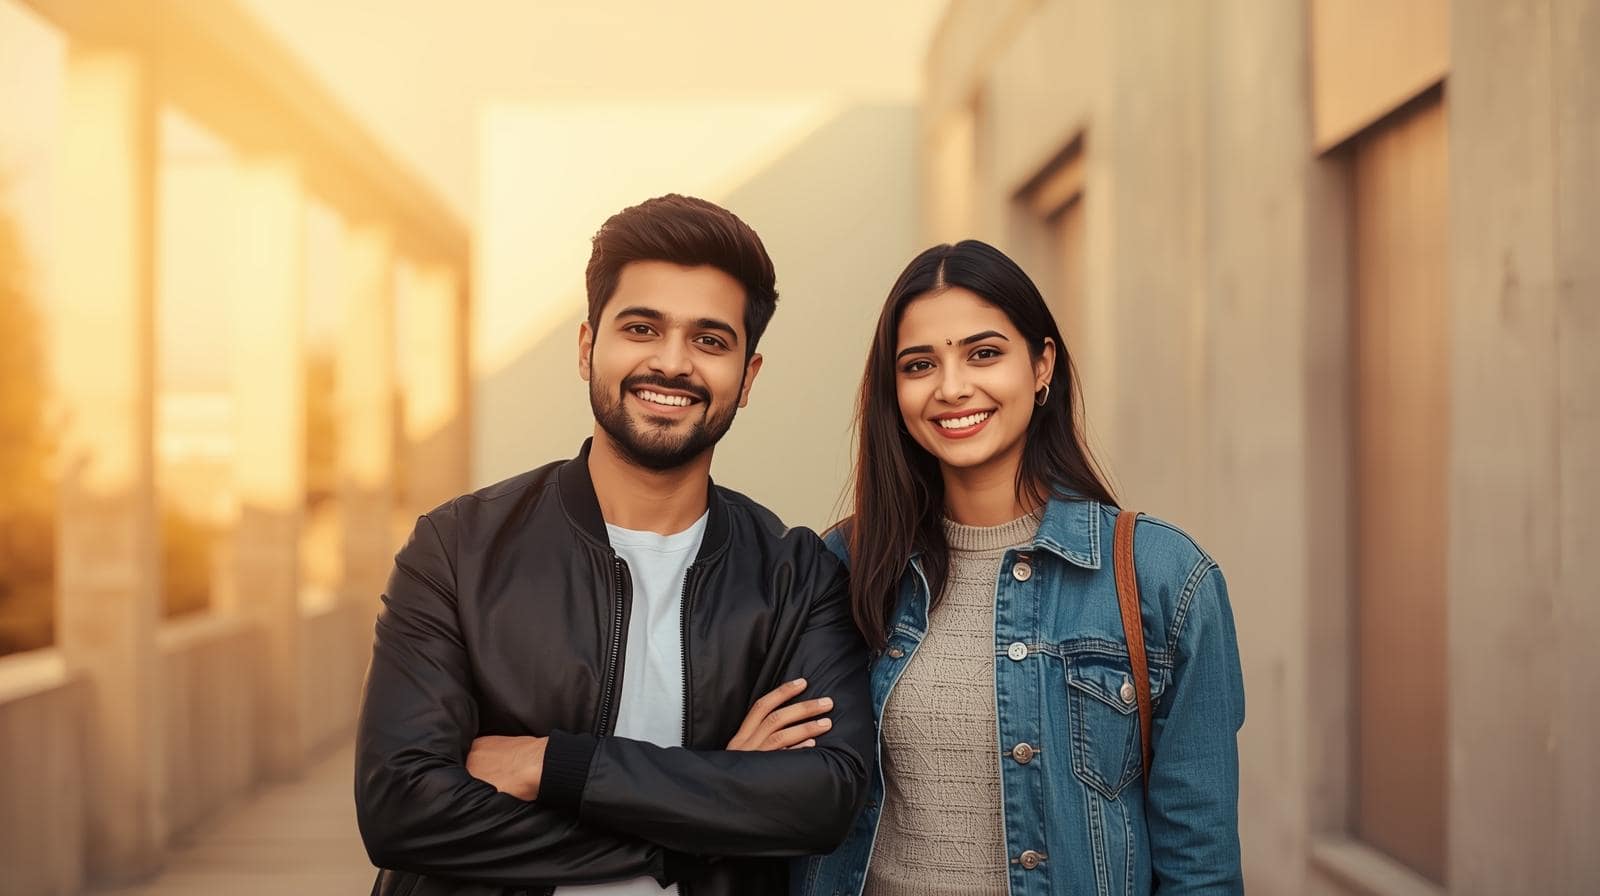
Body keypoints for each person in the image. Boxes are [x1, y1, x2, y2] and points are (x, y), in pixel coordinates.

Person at [356, 194, 872, 896]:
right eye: (642, 328)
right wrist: (705, 822)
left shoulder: (796, 575)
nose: (672, 362)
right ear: (586, 347)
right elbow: (402, 810)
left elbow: (821, 797)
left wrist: (550, 766)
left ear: (747, 378)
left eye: (710, 340)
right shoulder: (460, 548)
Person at [796, 240, 1245, 896]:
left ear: (1042, 367)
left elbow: (1200, 865)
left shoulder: (1163, 579)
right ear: (894, 391)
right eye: (920, 364)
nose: (952, 388)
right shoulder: (843, 568)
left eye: (984, 353)